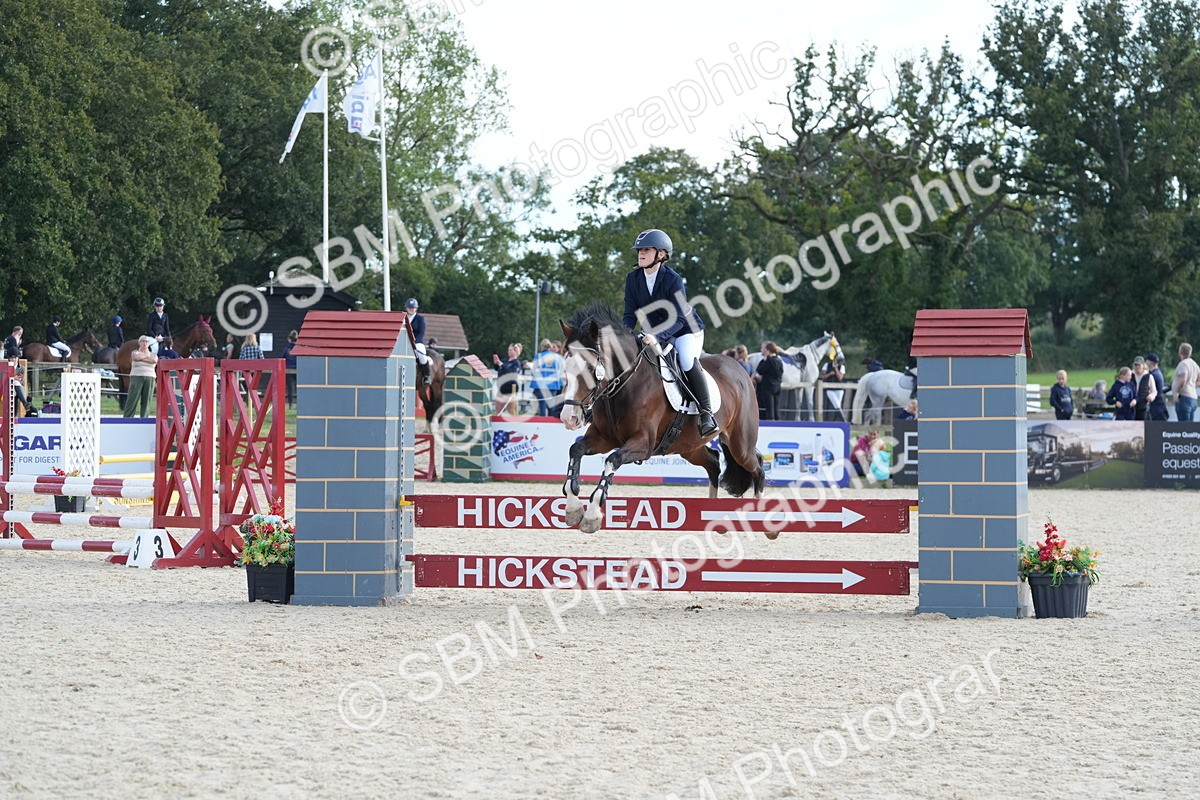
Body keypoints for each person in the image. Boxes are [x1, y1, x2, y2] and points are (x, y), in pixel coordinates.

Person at [622, 229, 716, 437]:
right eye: (639, 250)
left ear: (661, 255)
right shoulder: (633, 278)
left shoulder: (673, 280)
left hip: (685, 330)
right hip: (653, 331)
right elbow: (630, 314)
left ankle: (706, 413)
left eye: (646, 250)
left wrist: (657, 337)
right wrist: (624, 337)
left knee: (686, 361)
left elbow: (680, 318)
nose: (641, 254)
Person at [123, 336, 157, 418]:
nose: (144, 343)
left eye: (146, 341)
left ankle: (144, 418)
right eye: (142, 341)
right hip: (136, 376)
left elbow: (154, 360)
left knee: (147, 400)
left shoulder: (153, 354)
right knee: (132, 399)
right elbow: (135, 357)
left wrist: (142, 357)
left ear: (148, 344)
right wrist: (147, 357)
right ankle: (128, 418)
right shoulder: (135, 352)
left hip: (150, 377)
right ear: (139, 343)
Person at [531, 338, 564, 417]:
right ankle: (551, 424)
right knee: (551, 405)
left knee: (542, 405)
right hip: (553, 385)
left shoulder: (538, 356)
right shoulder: (558, 357)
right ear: (550, 346)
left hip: (540, 385)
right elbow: (561, 371)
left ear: (541, 346)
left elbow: (533, 371)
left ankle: (542, 424)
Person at [753, 341, 784, 421]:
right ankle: (778, 424)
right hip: (777, 386)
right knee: (776, 409)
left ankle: (771, 425)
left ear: (768, 350)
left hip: (768, 387)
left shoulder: (769, 361)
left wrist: (757, 376)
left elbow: (760, 370)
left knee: (769, 409)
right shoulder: (779, 361)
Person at [405, 298, 432, 386]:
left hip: (417, 342)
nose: (411, 309)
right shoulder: (403, 318)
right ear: (406, 308)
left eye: (413, 308)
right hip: (404, 342)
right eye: (409, 308)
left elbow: (421, 333)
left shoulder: (420, 319)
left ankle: (426, 376)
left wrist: (414, 342)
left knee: (422, 357)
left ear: (416, 308)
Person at [492, 343, 523, 415]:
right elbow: (497, 369)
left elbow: (511, 373)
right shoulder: (505, 360)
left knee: (510, 410)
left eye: (511, 350)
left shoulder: (517, 363)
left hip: (510, 390)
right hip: (501, 389)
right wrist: (496, 363)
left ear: (515, 351)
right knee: (498, 409)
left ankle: (511, 425)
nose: (508, 351)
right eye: (508, 350)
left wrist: (500, 364)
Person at [1172, 343, 1199, 422]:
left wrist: (1176, 391)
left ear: (1180, 351)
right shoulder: (1195, 365)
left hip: (1184, 397)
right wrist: (1192, 385)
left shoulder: (1183, 364)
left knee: (1183, 427)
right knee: (1190, 428)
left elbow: (1183, 378)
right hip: (1193, 397)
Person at [819, 356, 846, 420]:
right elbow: (823, 377)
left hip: (839, 388)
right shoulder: (827, 365)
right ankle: (844, 420)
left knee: (837, 406)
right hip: (829, 387)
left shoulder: (842, 367)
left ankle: (834, 421)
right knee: (836, 404)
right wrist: (830, 374)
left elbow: (840, 377)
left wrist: (836, 369)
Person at [1145, 353, 1169, 421]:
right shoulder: (1158, 373)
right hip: (1160, 405)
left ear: (1150, 362)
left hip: (1156, 407)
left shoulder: (1153, 375)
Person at [1133, 357, 1155, 421]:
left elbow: (1154, 391)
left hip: (1143, 405)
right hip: (1132, 405)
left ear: (1143, 365)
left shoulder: (1149, 376)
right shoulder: (1130, 375)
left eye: (1139, 365)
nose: (1137, 367)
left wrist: (1151, 396)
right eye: (1135, 365)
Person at [282, 330, 299, 407]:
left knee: (290, 388)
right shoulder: (299, 348)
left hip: (288, 369)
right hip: (297, 369)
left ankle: (290, 404)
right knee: (298, 387)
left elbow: (283, 358)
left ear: (289, 339)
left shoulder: (287, 349)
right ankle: (299, 404)